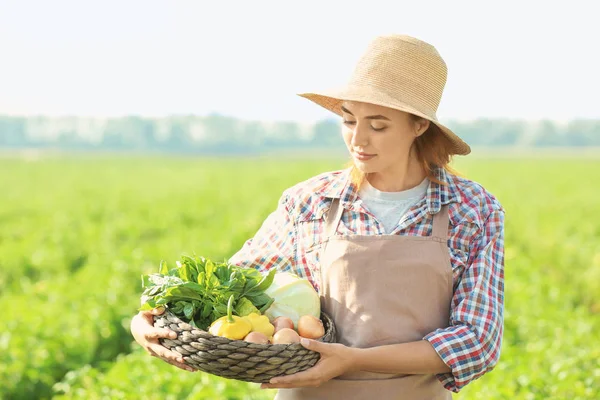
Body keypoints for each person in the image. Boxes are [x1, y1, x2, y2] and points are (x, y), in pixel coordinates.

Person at [130, 34, 505, 400]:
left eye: (378, 125)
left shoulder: (471, 211)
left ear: (419, 126)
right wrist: (146, 320)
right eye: (348, 120)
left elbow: (477, 341)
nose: (359, 139)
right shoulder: (310, 202)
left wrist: (353, 361)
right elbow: (231, 287)